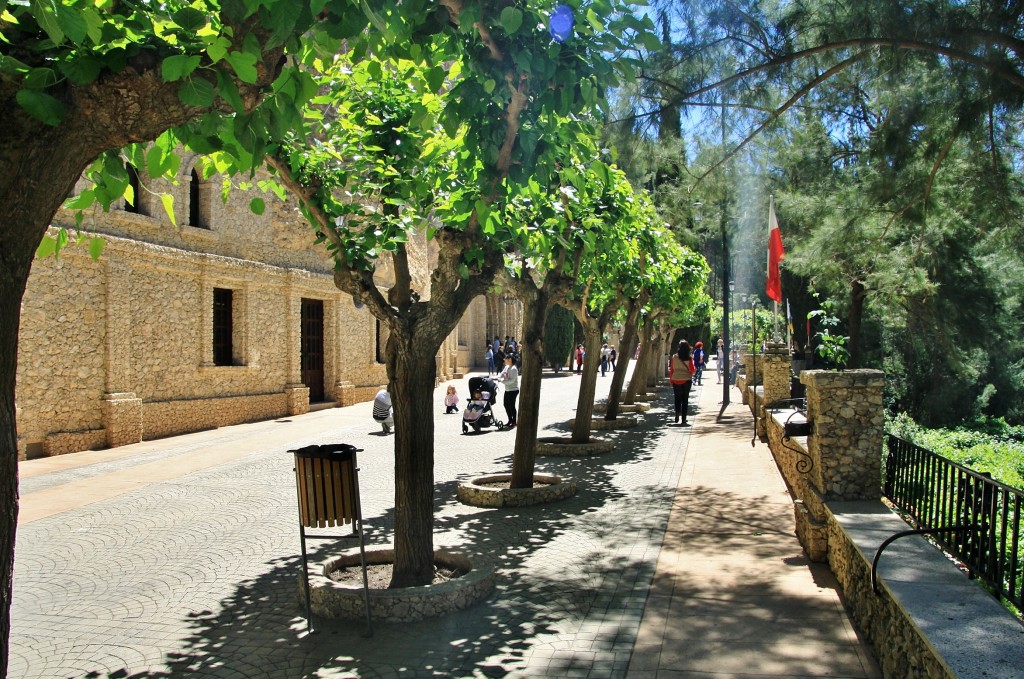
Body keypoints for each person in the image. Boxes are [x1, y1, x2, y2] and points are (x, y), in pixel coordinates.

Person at [669, 340, 695, 425]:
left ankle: (677, 414)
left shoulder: (674, 357)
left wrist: (671, 379)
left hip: (676, 379)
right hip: (686, 380)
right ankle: (684, 419)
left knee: (677, 398)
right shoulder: (689, 358)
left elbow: (672, 369)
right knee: (685, 399)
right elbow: (692, 370)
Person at [497, 354, 519, 429]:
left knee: (512, 406)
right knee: (506, 405)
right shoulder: (506, 367)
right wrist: (498, 377)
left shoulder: (514, 369)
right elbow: (501, 374)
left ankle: (514, 421)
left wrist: (502, 381)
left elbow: (512, 381)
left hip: (513, 390)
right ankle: (510, 420)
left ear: (510, 360)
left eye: (506, 359)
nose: (504, 360)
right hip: (507, 389)